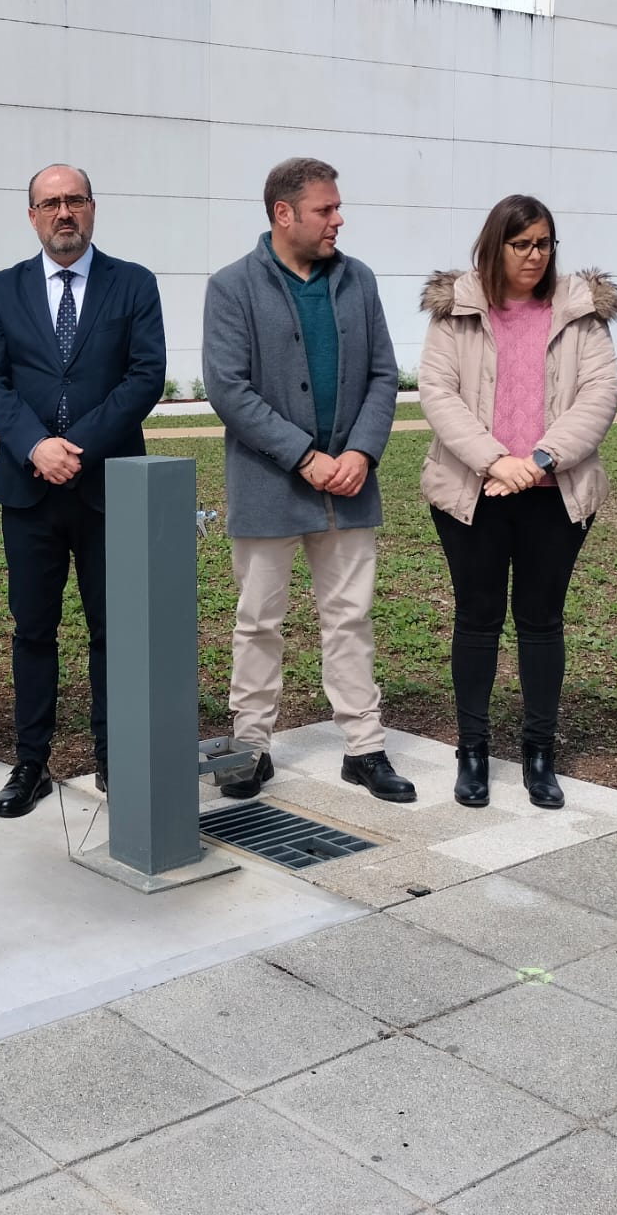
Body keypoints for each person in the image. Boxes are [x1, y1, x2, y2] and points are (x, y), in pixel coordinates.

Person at [202, 156, 410, 804]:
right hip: (269, 485)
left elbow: (384, 374)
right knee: (258, 620)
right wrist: (304, 456)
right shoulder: (232, 286)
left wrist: (363, 453)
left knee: (351, 618)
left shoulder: (359, 280)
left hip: (351, 485)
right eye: (325, 209)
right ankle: (251, 748)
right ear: (283, 213)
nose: (338, 219)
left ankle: (364, 748)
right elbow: (228, 389)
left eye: (337, 207)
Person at [418, 195, 617, 810]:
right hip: (473, 491)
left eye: (544, 244)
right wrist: (494, 461)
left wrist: (536, 461)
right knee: (477, 619)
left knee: (540, 621)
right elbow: (438, 391)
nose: (535, 256)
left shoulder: (581, 312)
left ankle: (539, 754)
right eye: (522, 244)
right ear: (494, 245)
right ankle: (473, 753)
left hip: (552, 491)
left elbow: (600, 392)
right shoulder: (455, 310)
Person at [0, 164, 165, 815]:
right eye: (50, 202)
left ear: (93, 208)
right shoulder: (2, 290)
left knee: (116, 630)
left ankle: (116, 760)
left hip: (108, 487)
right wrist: (37, 447)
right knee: (34, 630)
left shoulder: (133, 284)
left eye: (74, 200)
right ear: (32, 215)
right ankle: (30, 765)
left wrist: (75, 449)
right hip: (28, 492)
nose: (64, 212)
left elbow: (144, 378)